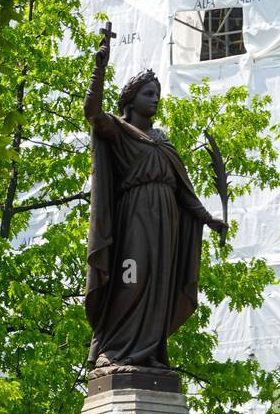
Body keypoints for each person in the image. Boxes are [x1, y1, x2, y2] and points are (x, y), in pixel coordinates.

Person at [84, 30, 225, 370]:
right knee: (132, 277)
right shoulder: (118, 130)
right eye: (149, 94)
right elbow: (92, 112)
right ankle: (115, 350)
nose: (155, 100)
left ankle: (148, 352)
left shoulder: (163, 141)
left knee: (160, 285)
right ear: (131, 99)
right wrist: (98, 70)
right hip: (136, 216)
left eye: (158, 95)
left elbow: (183, 191)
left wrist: (209, 218)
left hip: (168, 222)